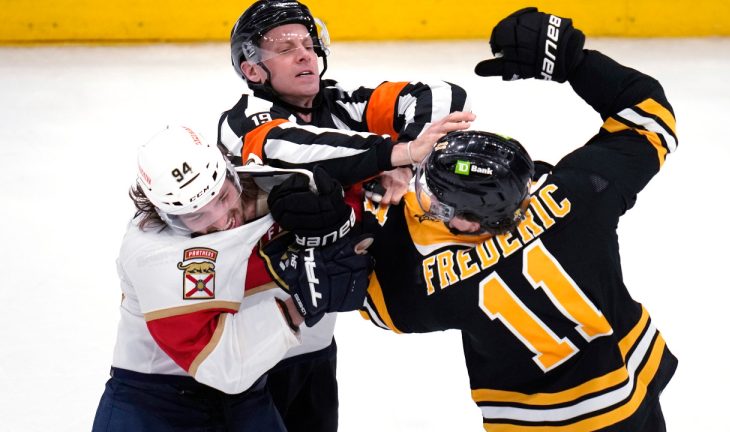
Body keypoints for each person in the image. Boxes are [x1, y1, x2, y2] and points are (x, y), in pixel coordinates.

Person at [267, 7, 679, 431]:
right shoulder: (580, 194)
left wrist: (343, 216)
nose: (419, 195)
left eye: (435, 196)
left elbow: (367, 297)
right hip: (636, 394)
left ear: (465, 222)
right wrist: (576, 63)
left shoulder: (430, 284)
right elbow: (650, 119)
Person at [218, 1, 474, 430]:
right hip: (248, 339)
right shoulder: (242, 121)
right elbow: (290, 148)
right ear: (253, 70)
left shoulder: (341, 105)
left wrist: (404, 165)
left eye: (308, 43)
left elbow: (442, 95)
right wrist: (396, 151)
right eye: (285, 47)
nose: (305, 54)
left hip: (317, 335)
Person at [91, 125, 371, 431]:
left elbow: (352, 179)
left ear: (230, 172)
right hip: (154, 401)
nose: (223, 221)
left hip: (249, 396)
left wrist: (381, 179)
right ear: (166, 216)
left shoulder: (273, 185)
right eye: (197, 216)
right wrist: (301, 304)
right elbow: (224, 366)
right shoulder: (151, 253)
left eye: (223, 197)